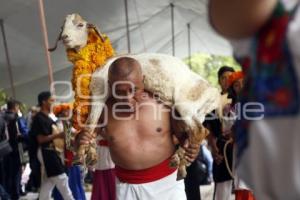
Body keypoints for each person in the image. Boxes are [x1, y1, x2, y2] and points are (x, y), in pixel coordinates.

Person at [210, 0, 300, 199]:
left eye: (234, 81)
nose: (234, 85)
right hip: (259, 173)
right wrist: (216, 143)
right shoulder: (222, 103)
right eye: (229, 82)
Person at [77, 57, 200, 200]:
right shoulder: (103, 110)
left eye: (134, 89)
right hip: (126, 188)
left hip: (168, 186)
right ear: (110, 86)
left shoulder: (164, 104)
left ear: (143, 80)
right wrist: (80, 140)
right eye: (120, 92)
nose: (127, 98)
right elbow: (81, 143)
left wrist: (191, 146)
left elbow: (185, 138)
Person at [30, 91, 74, 200]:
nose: (53, 103)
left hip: (51, 152)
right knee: (62, 180)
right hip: (47, 152)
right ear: (44, 102)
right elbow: (40, 139)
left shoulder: (47, 118)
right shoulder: (39, 118)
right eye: (51, 100)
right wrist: (59, 135)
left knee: (48, 183)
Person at [205, 66, 235, 200]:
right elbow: (207, 126)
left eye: (230, 77)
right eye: (223, 77)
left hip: (240, 148)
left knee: (244, 187)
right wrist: (212, 146)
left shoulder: (243, 98)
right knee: (223, 190)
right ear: (219, 80)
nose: (227, 80)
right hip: (221, 148)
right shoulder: (212, 101)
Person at [3, 99, 26, 200]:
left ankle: (9, 193)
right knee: (18, 171)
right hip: (17, 148)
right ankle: (16, 193)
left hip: (5, 150)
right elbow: (21, 134)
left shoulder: (2, 117)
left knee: (8, 173)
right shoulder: (16, 118)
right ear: (15, 107)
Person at [91, 134, 116, 200]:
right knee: (99, 186)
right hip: (99, 158)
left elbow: (114, 139)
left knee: (111, 186)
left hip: (108, 159)